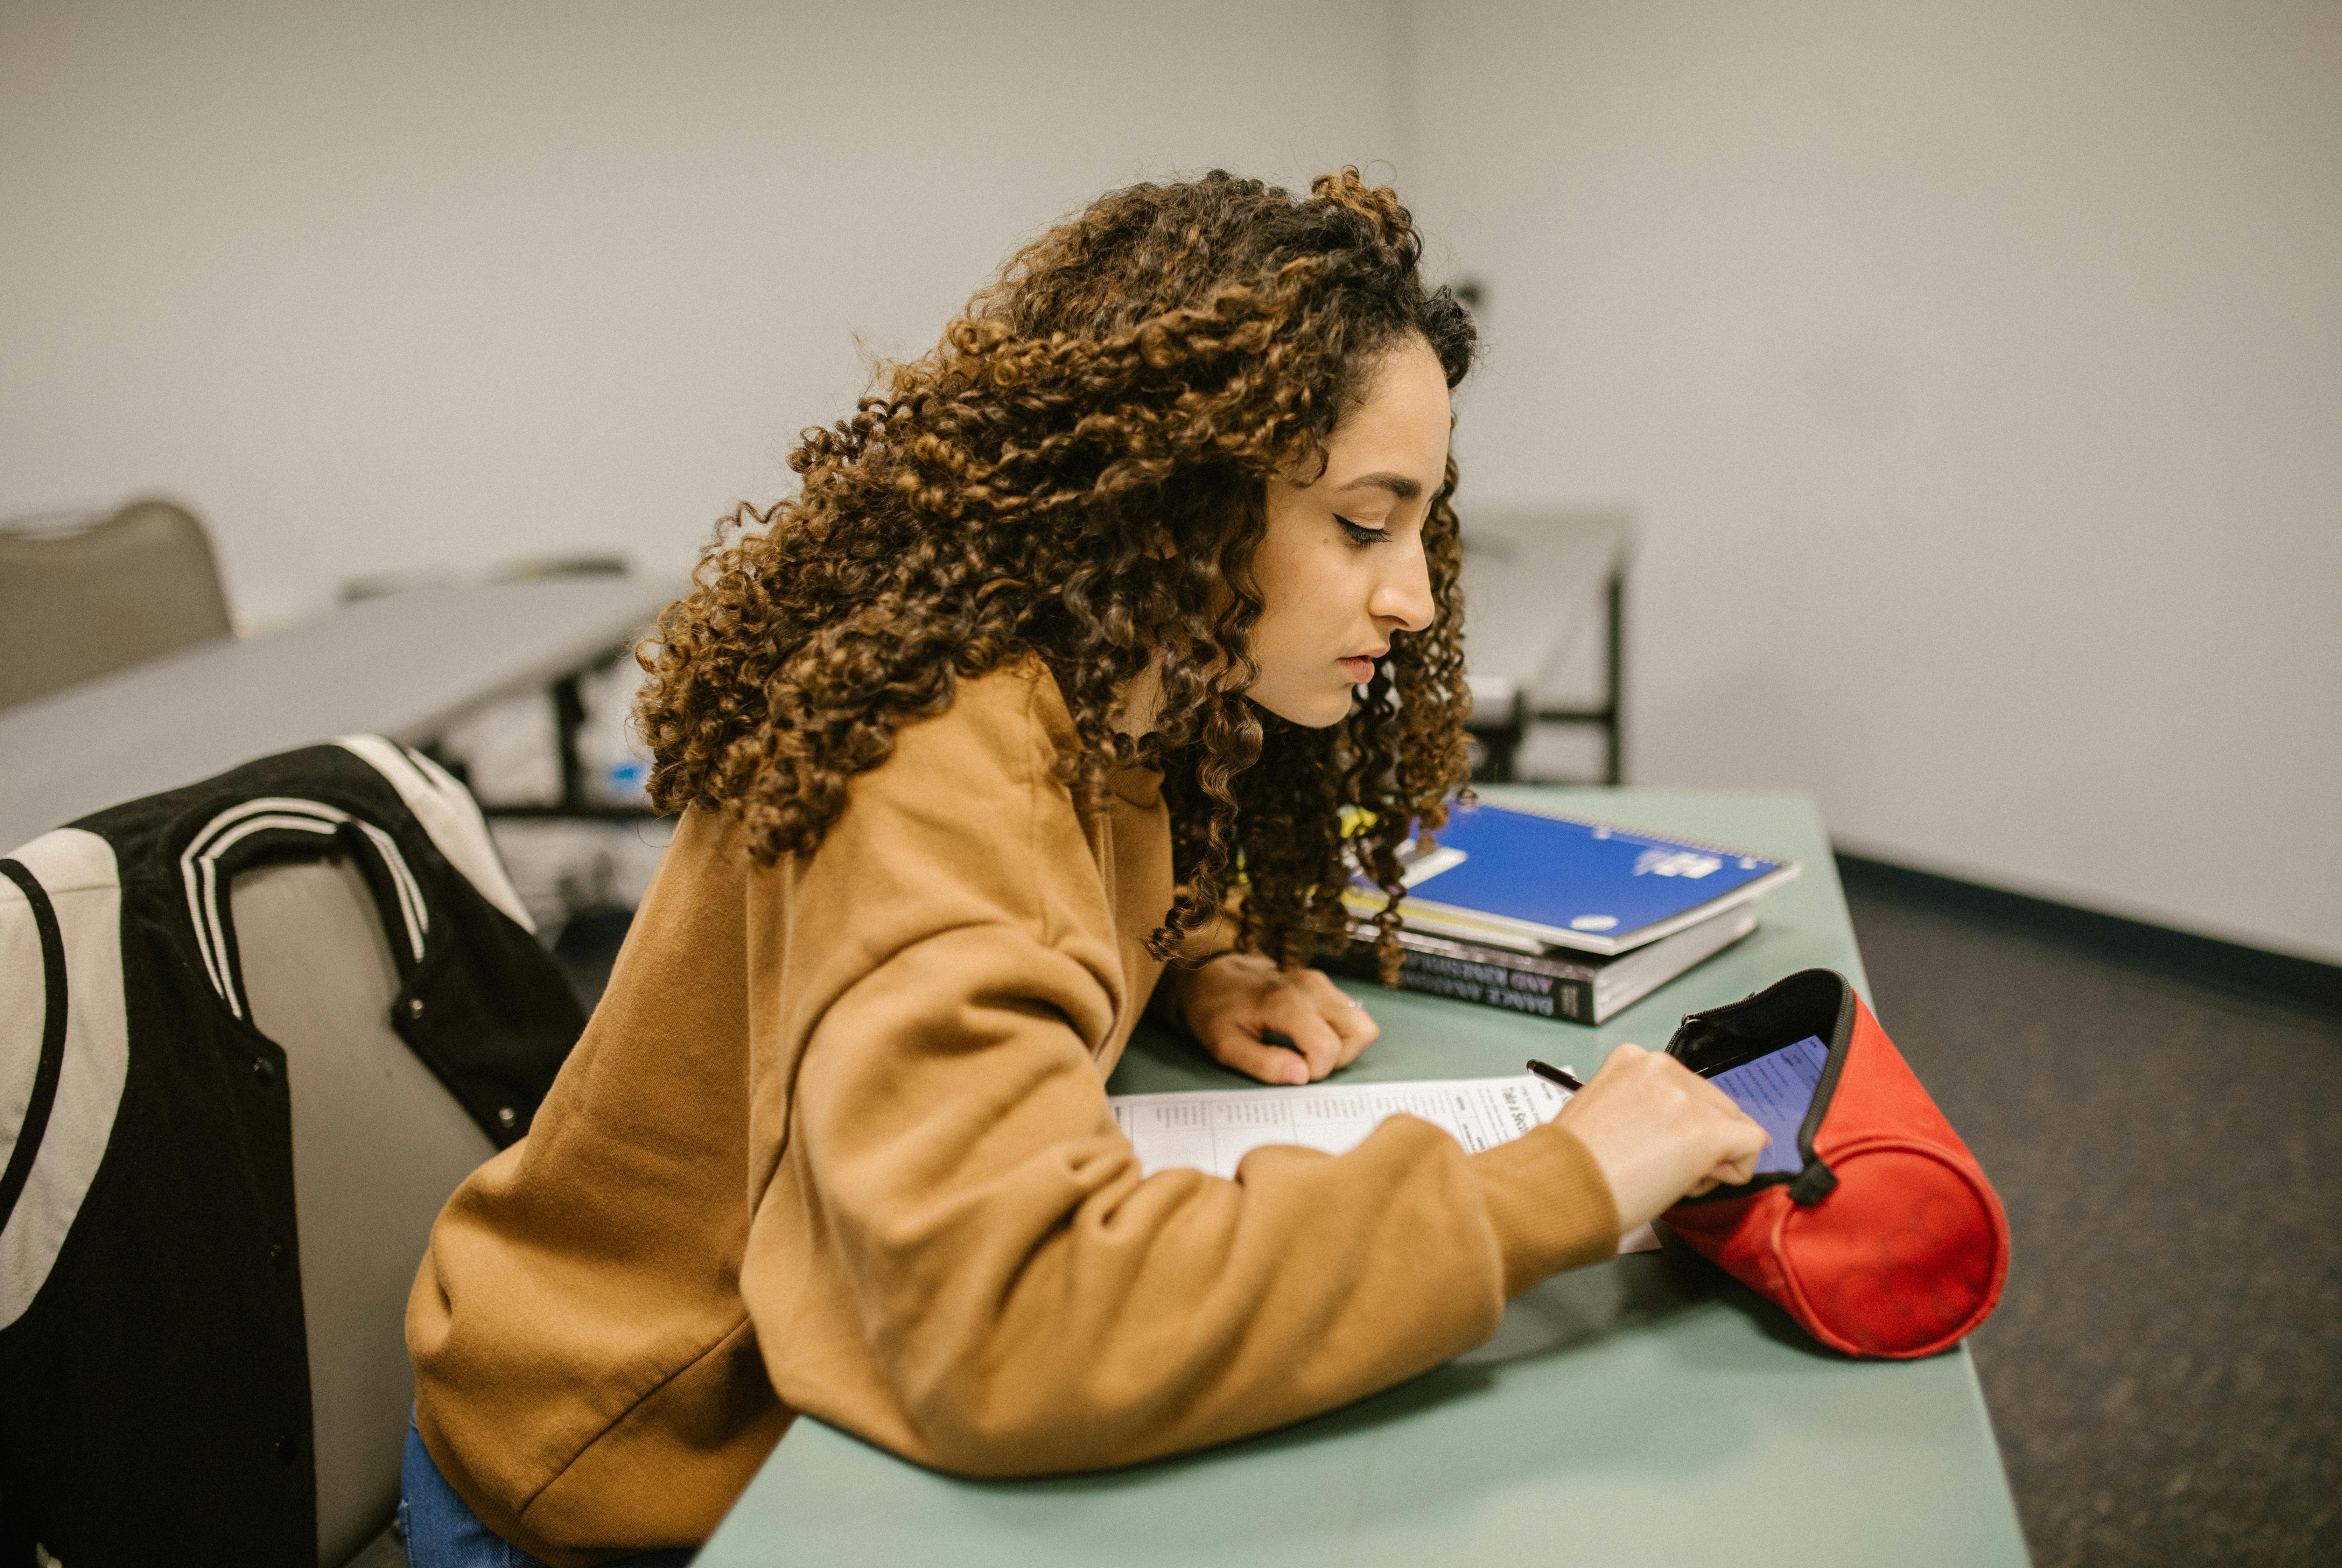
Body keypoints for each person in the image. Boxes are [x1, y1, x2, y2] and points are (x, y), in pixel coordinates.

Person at [401, 168, 1768, 1567]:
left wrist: (1193, 957)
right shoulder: (939, 767)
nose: (1413, 595)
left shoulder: (1111, 681)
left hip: (750, 1427)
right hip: (617, 1470)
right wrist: (1557, 1188)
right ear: (1182, 502)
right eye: (1365, 523)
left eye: (1425, 526)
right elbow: (1011, 1314)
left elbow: (1077, 875)